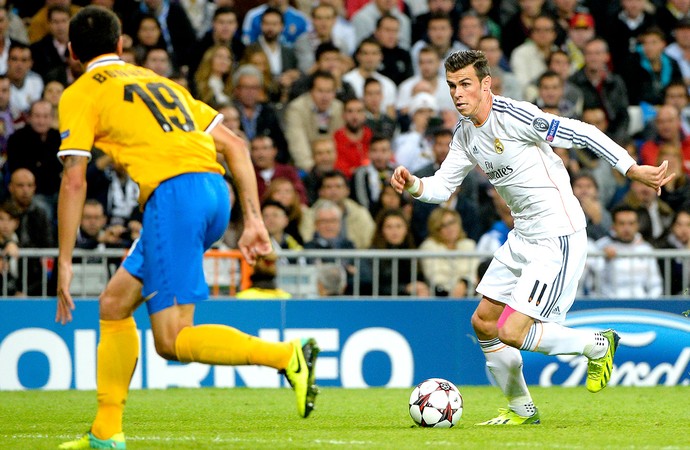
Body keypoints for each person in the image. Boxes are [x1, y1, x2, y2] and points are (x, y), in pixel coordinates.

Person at [56, 7, 319, 449]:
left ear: (71, 53)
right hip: (213, 191)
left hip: (174, 197)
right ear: (121, 46)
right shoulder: (160, 82)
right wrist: (253, 218)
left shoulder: (81, 92)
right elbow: (234, 144)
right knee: (115, 303)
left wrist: (64, 261)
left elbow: (75, 178)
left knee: (172, 340)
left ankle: (287, 356)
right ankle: (105, 432)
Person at [391, 50, 674, 425]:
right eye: (451, 86)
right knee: (483, 323)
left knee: (512, 330)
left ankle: (598, 345)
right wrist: (414, 184)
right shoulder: (464, 134)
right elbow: (441, 188)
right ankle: (522, 410)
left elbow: (583, 132)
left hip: (557, 234)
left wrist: (631, 167)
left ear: (485, 83)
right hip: (523, 235)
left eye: (465, 84)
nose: (457, 94)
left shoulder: (515, 116)